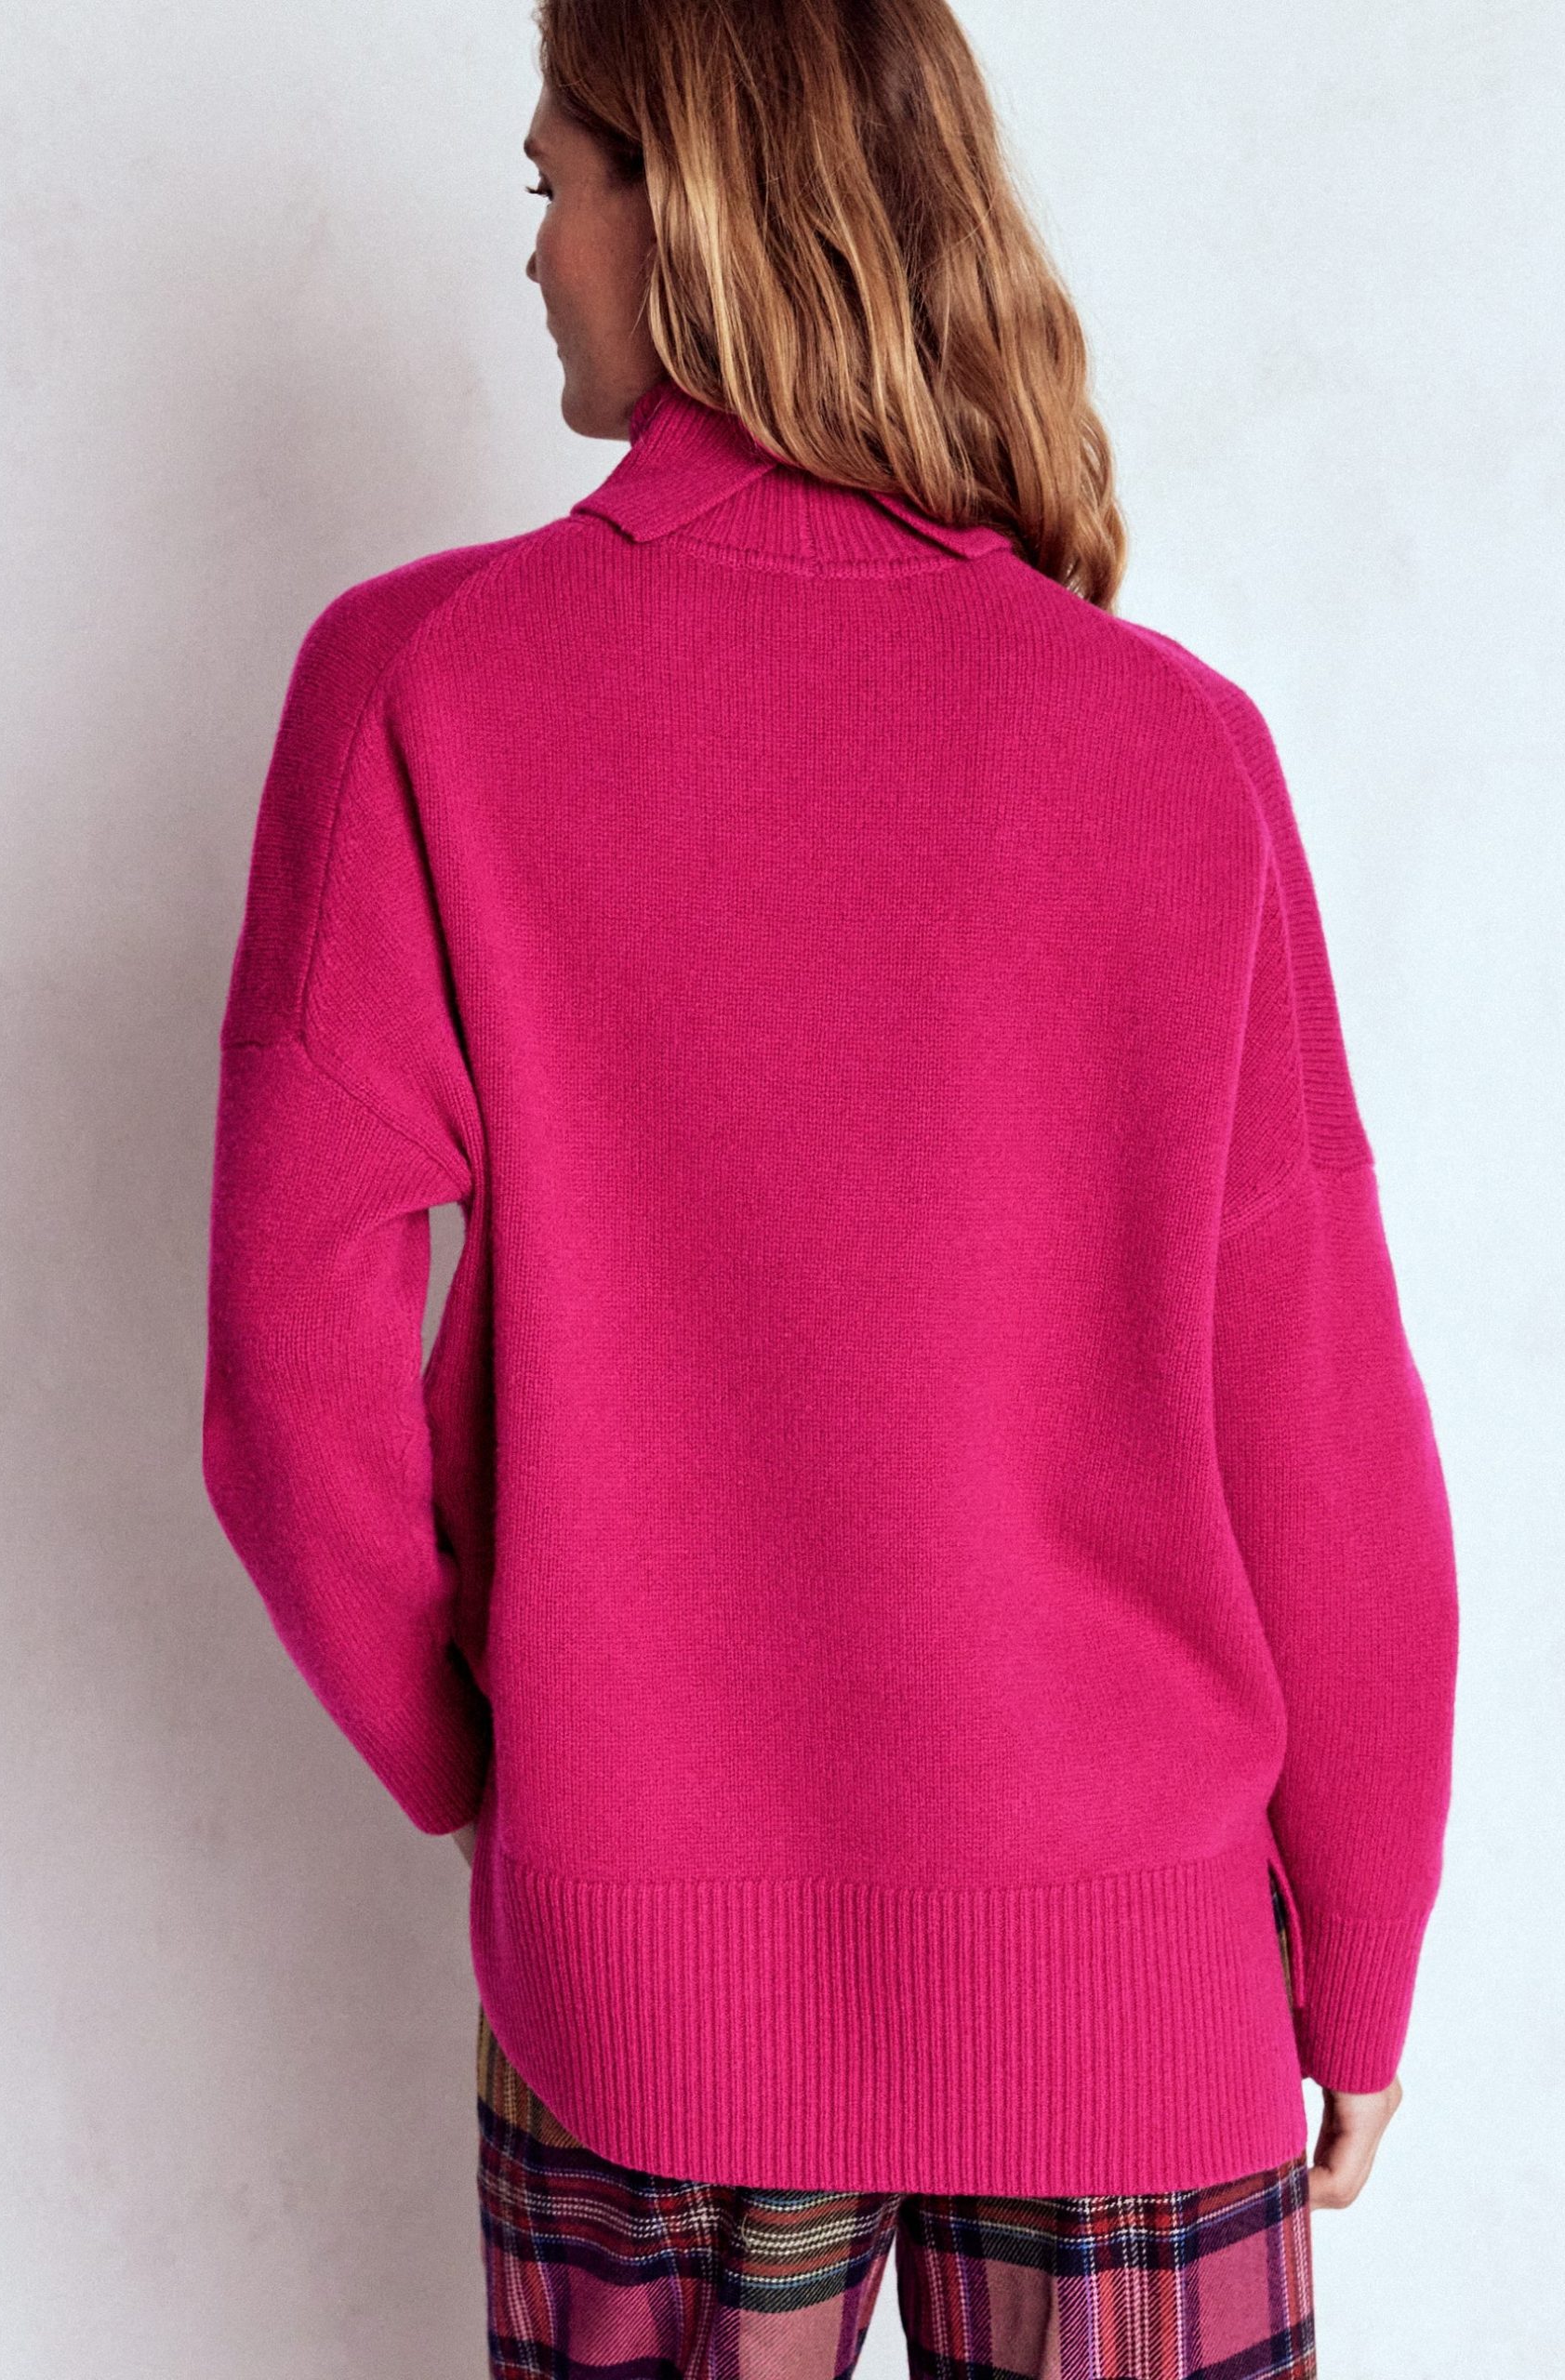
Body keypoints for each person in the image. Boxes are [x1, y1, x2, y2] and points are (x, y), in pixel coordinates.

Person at [200, 2, 1459, 2372]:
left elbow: (292, 1385)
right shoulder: (1173, 749)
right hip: (1134, 1991)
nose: (536, 252)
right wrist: (1365, 1943)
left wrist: (509, 1774)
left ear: (693, 202)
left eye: (558, 180)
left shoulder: (423, 689)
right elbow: (1318, 1412)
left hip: (644, 1994)